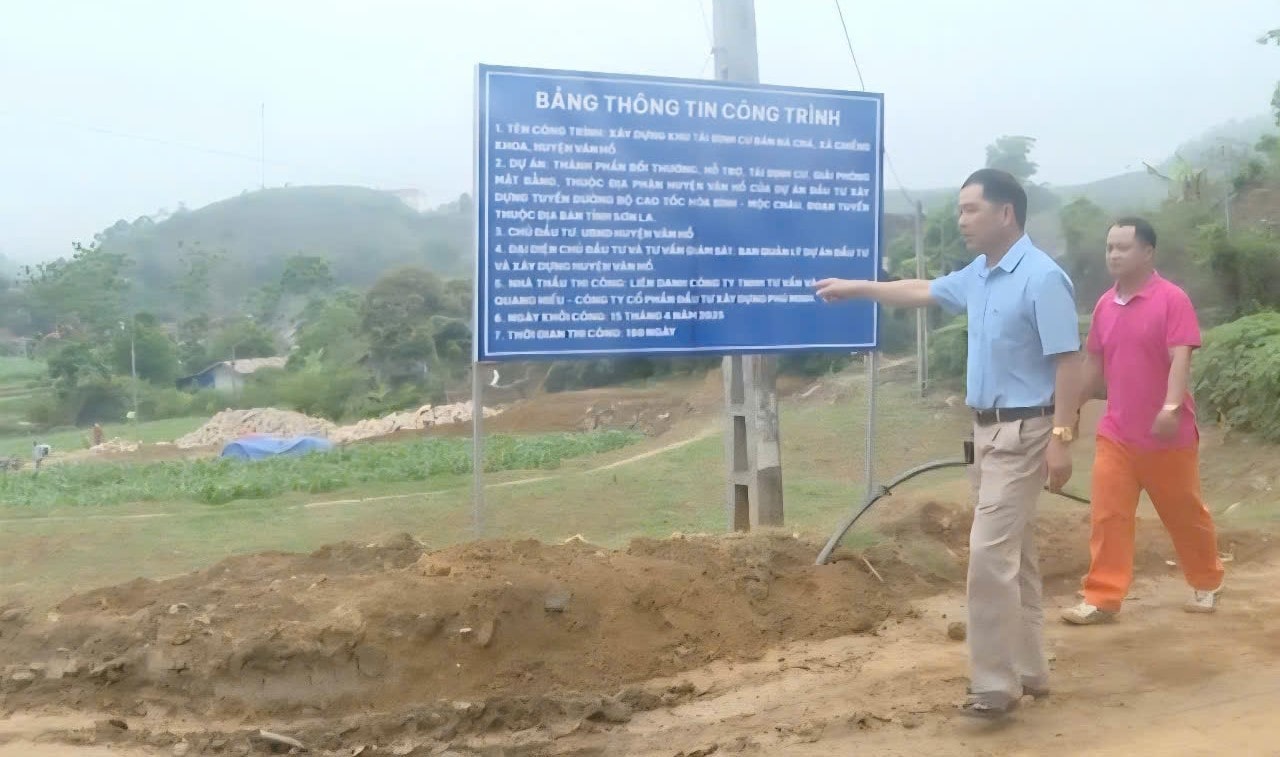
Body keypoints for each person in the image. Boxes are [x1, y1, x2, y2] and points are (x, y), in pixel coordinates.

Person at [815, 168, 1081, 719]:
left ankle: (994, 685)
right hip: (985, 432)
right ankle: (1030, 669)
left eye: (970, 209)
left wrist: (1062, 437)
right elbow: (920, 290)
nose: (961, 220)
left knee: (989, 555)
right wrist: (857, 288)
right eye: (960, 209)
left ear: (1005, 213)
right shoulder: (980, 275)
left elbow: (1068, 363)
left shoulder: (1042, 278)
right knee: (1016, 554)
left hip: (1026, 430)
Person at [1061, 218, 1224, 625]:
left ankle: (1206, 580)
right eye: (1109, 248)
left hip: (1168, 435)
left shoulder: (1172, 299)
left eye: (1123, 247)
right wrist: (1071, 408)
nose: (1113, 255)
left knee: (1184, 513)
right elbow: (1094, 366)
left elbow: (1180, 356)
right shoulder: (1103, 306)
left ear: (1147, 253)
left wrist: (1170, 408)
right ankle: (1102, 597)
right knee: (1108, 514)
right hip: (1117, 433)